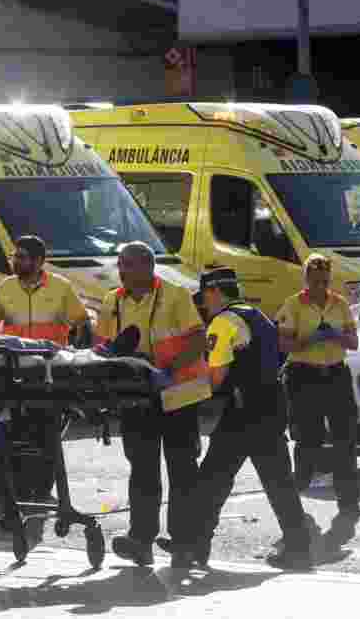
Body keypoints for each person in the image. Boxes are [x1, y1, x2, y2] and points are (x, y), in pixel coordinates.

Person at [170, 267, 314, 570]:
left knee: (212, 480)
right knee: (279, 482)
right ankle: (299, 548)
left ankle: (195, 546)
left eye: (205, 299)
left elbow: (215, 380)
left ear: (214, 293)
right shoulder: (256, 314)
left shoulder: (223, 322)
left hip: (244, 412)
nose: (204, 306)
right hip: (272, 404)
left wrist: (173, 397)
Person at [96, 241, 209, 566]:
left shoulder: (175, 296)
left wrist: (166, 370)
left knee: (182, 471)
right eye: (120, 264)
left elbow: (198, 340)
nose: (122, 271)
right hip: (138, 399)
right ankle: (140, 540)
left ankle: (184, 542)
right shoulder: (112, 301)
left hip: (178, 395)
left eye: (128, 264)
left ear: (148, 267)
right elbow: (103, 345)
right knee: (143, 471)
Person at [0, 235, 89, 501]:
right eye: (14, 256)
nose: (15, 262)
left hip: (48, 374)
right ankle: (16, 491)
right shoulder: (5, 288)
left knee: (46, 434)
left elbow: (82, 323)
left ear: (39, 261)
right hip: (14, 373)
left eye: (21, 257)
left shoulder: (61, 288)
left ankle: (41, 490)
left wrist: (73, 357)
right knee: (15, 433)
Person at [276, 253, 360, 523]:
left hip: (336, 374)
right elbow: (284, 346)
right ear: (305, 280)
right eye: (314, 281)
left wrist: (337, 335)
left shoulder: (339, 304)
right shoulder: (292, 305)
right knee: (308, 440)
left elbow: (354, 342)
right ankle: (296, 498)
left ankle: (349, 501)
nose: (319, 287)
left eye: (324, 281)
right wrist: (310, 339)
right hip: (304, 376)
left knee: (345, 439)